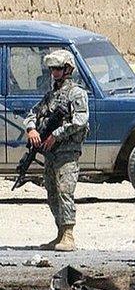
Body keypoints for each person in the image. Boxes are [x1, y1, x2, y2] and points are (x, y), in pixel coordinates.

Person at [24, 49, 89, 251]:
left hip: (67, 151)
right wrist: (31, 128)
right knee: (52, 192)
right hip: (51, 153)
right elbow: (33, 113)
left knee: (65, 191)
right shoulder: (51, 95)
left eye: (58, 69)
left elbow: (80, 120)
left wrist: (56, 134)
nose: (54, 72)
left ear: (68, 69)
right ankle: (60, 233)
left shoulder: (77, 93)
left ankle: (68, 235)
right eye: (52, 69)